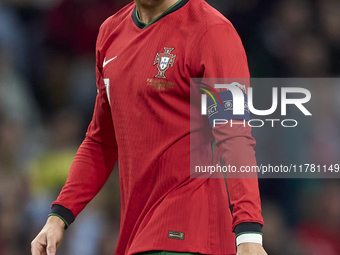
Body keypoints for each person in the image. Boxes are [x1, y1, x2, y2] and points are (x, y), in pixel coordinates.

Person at [31, 0, 268, 254]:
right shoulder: (110, 33)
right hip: (137, 232)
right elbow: (101, 141)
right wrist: (58, 217)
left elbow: (235, 133)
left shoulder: (212, 30)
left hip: (189, 231)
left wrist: (249, 233)